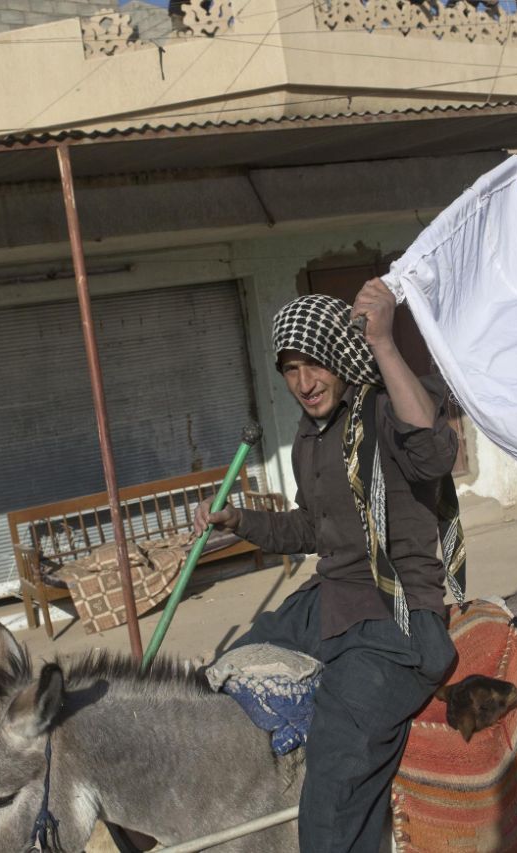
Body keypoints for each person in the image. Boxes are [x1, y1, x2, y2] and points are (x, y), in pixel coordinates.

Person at [193, 281, 463, 853]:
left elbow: (436, 454)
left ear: (341, 354)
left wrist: (386, 343)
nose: (304, 383)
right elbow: (312, 529)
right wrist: (239, 521)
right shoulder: (310, 437)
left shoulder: (385, 409)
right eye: (290, 369)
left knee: (337, 770)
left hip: (396, 617)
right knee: (225, 673)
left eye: (314, 364)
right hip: (330, 599)